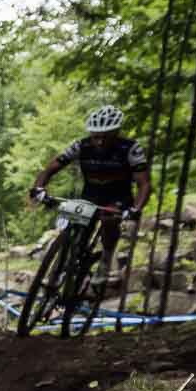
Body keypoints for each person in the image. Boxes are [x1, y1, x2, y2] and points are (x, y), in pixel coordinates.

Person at [29, 106, 152, 284]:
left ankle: (106, 260)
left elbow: (145, 183)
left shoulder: (130, 148)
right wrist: (39, 188)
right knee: (71, 223)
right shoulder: (81, 145)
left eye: (106, 137)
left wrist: (136, 209)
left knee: (109, 218)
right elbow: (51, 168)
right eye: (96, 136)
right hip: (90, 195)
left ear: (116, 133)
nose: (100, 142)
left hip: (118, 196)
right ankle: (58, 268)